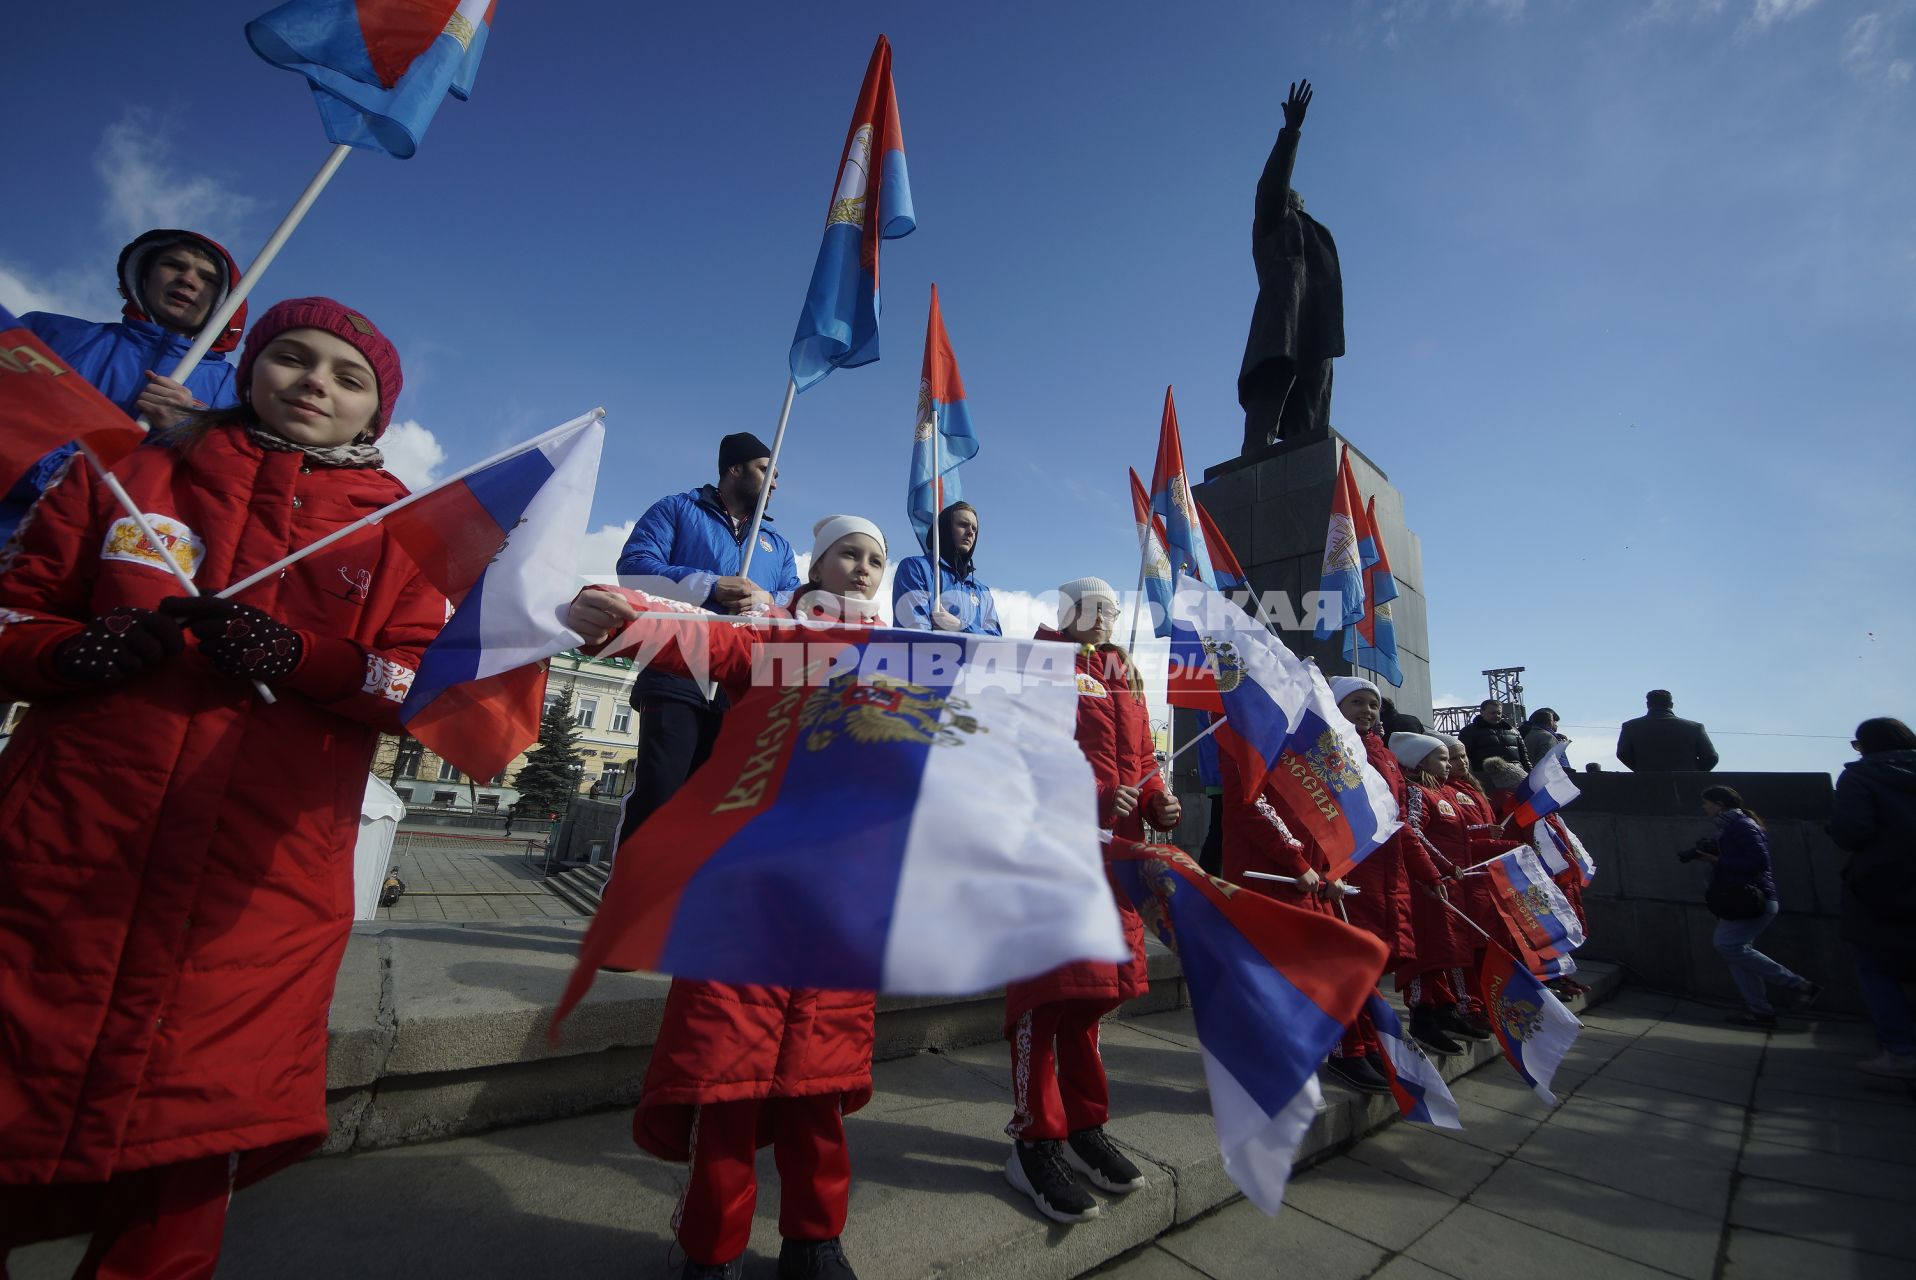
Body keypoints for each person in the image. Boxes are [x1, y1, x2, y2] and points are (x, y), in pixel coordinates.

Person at [0, 297, 444, 1275]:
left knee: (188, 1154)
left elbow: (423, 689)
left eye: (345, 373)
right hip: (61, 856)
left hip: (255, 886)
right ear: (249, 369)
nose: (313, 382)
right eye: (292, 357)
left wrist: (309, 656)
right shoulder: (123, 470)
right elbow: (12, 612)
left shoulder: (403, 532)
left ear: (375, 409)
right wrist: (69, 650)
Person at [566, 516, 890, 1280]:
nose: (864, 567)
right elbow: (699, 636)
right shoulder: (773, 635)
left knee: (821, 1081)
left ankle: (814, 1241)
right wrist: (617, 610)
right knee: (727, 1081)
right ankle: (711, 1250)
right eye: (850, 551)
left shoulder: (900, 661)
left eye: (877, 559)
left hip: (841, 903)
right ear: (817, 562)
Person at [1001, 577, 1180, 1225]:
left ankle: (1084, 1128)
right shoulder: (1039, 665)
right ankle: (1032, 1141)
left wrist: (1159, 795)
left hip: (1115, 863)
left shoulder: (1123, 675)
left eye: (1110, 608)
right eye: (1091, 607)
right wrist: (1095, 798)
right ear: (1065, 610)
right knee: (1044, 1001)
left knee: (1090, 999)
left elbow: (1144, 760)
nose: (1103, 617)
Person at [612, 433, 802, 851]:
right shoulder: (677, 509)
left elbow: (794, 601)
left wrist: (767, 599)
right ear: (734, 469)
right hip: (677, 670)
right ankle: (628, 907)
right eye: (765, 470)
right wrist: (710, 585)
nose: (774, 483)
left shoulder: (778, 545)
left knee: (716, 807)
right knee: (661, 796)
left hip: (741, 684)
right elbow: (634, 568)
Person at [4, 230, 250, 545]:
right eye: (174, 265)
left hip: (134, 564)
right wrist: (60, 474)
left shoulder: (242, 392)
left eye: (208, 278)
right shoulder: (47, 335)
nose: (188, 280)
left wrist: (193, 429)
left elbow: (248, 484)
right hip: (14, 536)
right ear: (143, 276)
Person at [1215, 751, 1378, 1091]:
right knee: (1272, 981)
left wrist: (1333, 868)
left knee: (1325, 974)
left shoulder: (1305, 744)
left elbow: (1322, 814)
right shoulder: (1246, 736)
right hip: (1270, 880)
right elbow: (1250, 802)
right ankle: (1258, 1070)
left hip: (1309, 880)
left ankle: (1339, 1053)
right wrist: (1296, 860)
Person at [1328, 676, 1429, 1074]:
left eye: (1372, 704)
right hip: (1353, 867)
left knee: (1371, 962)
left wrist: (1426, 872)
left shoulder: (1382, 753)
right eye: (1356, 702)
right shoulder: (1330, 746)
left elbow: (1400, 819)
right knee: (1350, 960)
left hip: (1388, 871)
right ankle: (1345, 1049)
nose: (1367, 710)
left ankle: (1369, 1043)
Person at [1238, 78, 1344, 451]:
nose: (1296, 200)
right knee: (1263, 422)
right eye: (1291, 198)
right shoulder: (1271, 224)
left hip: (1314, 331)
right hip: (1279, 327)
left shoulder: (1312, 233)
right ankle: (1250, 475)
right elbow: (1272, 185)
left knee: (1311, 430)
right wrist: (1291, 131)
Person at [1827, 717, 1916, 1078]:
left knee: (1876, 966)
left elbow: (1853, 832)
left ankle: (1901, 1051)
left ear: (1866, 745)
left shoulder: (1862, 776)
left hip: (1885, 884)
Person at [1389, 733, 1487, 1054]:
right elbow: (1413, 831)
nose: (1450, 765)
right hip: (1425, 886)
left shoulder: (1444, 793)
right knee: (1427, 950)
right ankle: (1422, 1013)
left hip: (1449, 886)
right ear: (1419, 762)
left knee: (1449, 948)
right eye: (1442, 758)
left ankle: (1446, 1009)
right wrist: (1441, 867)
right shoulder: (1416, 793)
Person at [1691, 785, 1819, 1027]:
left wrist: (1716, 859)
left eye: (1707, 803)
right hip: (1742, 898)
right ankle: (1760, 1011)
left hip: (1753, 898)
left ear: (1720, 804)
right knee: (1737, 954)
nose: (1703, 807)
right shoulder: (1733, 826)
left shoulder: (1743, 826)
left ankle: (1799, 984)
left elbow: (1758, 862)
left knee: (1727, 944)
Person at [891, 500, 1002, 634]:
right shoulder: (916, 568)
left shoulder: (982, 592)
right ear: (945, 528)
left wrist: (960, 627)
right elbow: (916, 635)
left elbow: (996, 642)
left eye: (974, 529)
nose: (970, 533)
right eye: (963, 525)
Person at [1616, 690, 1719, 773]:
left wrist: (1641, 770)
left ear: (1648, 704)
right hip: (1686, 786)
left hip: (1646, 785)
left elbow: (1622, 754)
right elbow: (1711, 757)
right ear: (1671, 704)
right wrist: (1694, 773)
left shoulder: (1630, 727)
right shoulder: (1695, 728)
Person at [1460, 699, 1530, 775]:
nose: (1496, 716)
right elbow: (1465, 756)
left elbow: (1524, 756)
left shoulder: (1513, 731)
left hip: (1516, 775)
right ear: (1482, 712)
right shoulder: (1469, 731)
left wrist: (1530, 773)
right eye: (1492, 713)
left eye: (1499, 713)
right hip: (1486, 778)